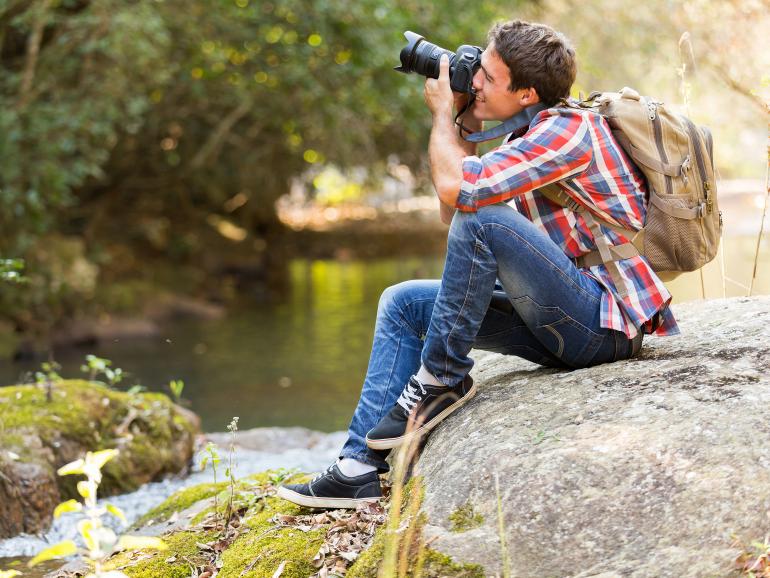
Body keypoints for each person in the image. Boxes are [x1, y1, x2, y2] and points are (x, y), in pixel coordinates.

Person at [277, 19, 678, 509]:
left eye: (487, 75)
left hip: (601, 325)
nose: (475, 80)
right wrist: (464, 124)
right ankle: (357, 469)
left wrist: (443, 116)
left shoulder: (570, 131)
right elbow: (454, 213)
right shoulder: (524, 139)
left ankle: (440, 380)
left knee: (483, 219)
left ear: (527, 93)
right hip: (560, 321)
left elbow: (460, 197)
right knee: (402, 303)